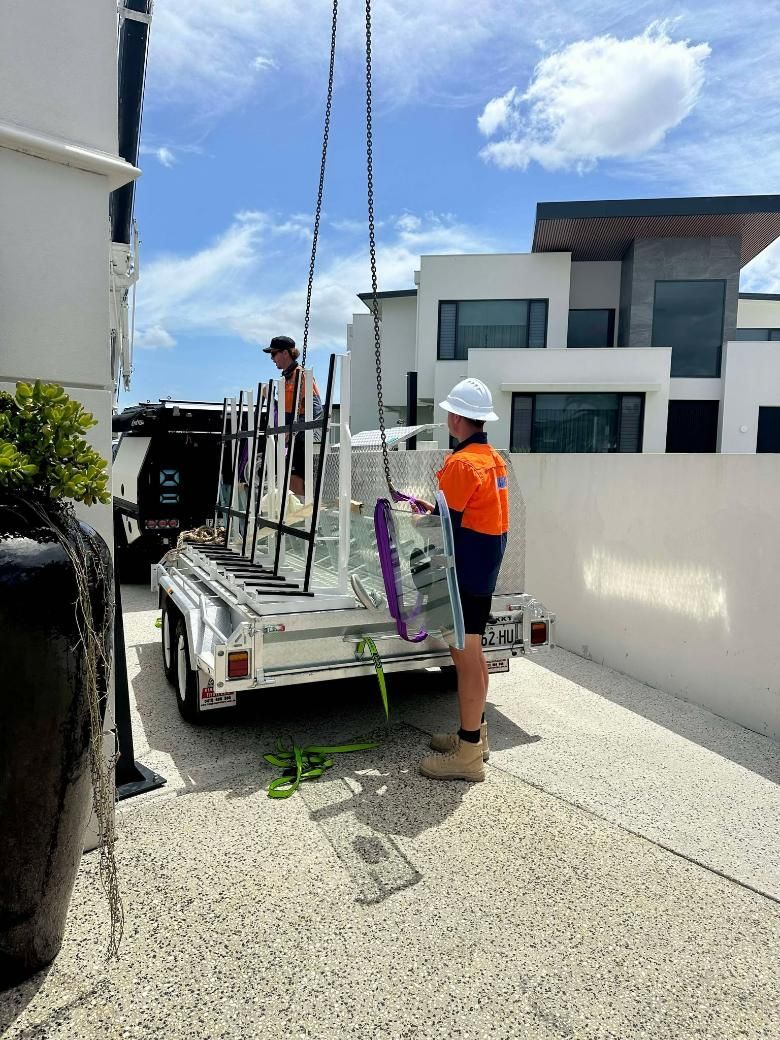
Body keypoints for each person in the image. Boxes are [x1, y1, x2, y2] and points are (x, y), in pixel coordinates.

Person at [418, 377, 508, 783]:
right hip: (483, 569)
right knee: (474, 655)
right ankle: (476, 737)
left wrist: (416, 523)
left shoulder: (461, 463)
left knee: (466, 658)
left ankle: (468, 754)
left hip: (465, 572)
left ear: (455, 417)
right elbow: (469, 512)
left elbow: (443, 526)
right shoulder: (492, 458)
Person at [263, 335, 322, 496]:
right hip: (292, 439)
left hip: (301, 440)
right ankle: (295, 517)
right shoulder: (286, 379)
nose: (272, 358)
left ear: (285, 353)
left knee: (295, 482)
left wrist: (294, 431)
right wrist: (271, 400)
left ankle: (300, 519)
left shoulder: (301, 376)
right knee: (289, 480)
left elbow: (316, 410)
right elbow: (285, 412)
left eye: (273, 354)